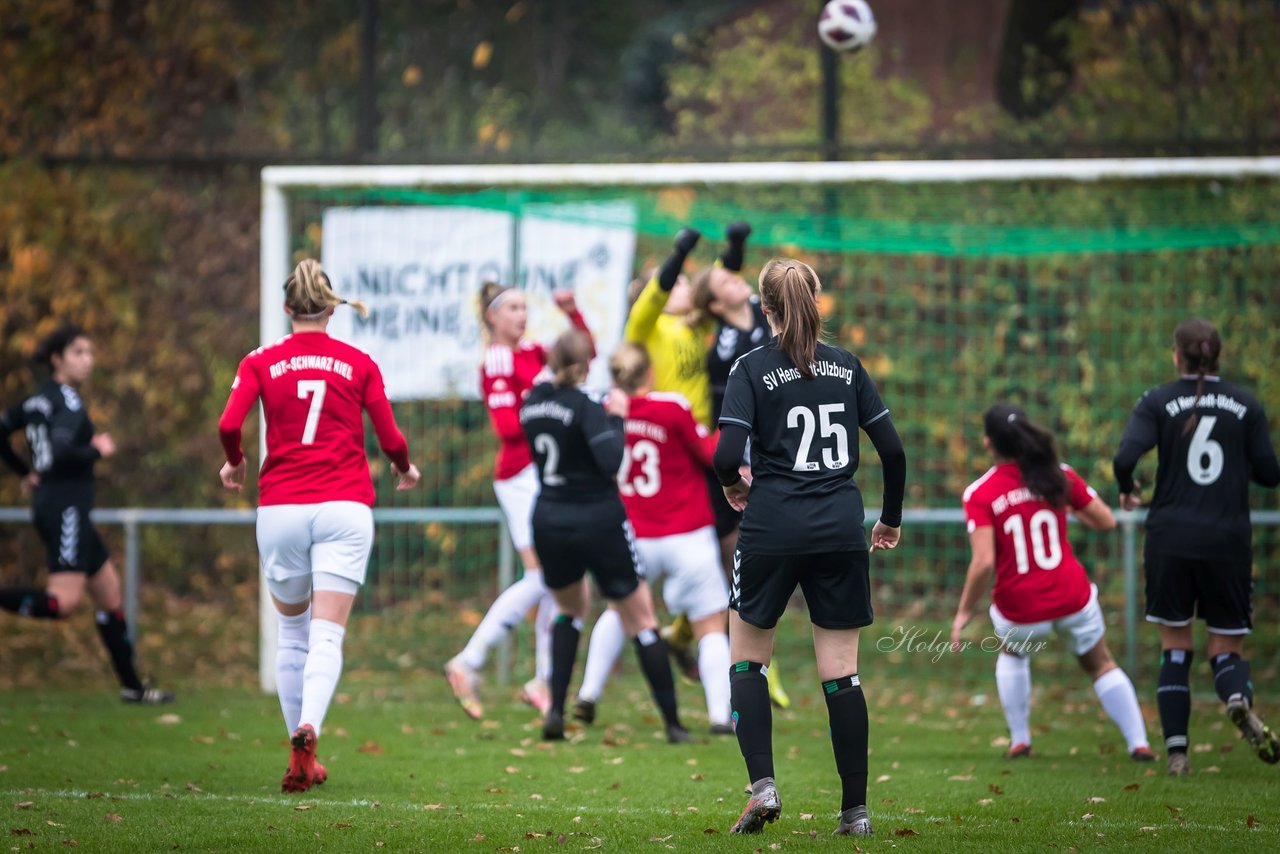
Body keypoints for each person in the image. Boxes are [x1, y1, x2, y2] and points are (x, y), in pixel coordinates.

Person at [713, 259, 905, 837]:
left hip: (772, 528)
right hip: (840, 530)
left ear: (764, 308)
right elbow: (892, 453)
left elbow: (726, 456)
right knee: (842, 674)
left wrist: (734, 487)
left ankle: (764, 788)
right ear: (816, 300)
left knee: (747, 658)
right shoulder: (846, 366)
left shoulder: (751, 368)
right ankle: (856, 812)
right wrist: (889, 520)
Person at [218, 259, 421, 793]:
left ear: (287, 308)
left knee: (292, 632)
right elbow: (391, 437)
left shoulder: (261, 361)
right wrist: (404, 469)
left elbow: (227, 423)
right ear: (332, 309)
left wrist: (234, 460)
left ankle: (297, 742)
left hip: (282, 507)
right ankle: (310, 730)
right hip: (344, 507)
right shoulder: (358, 362)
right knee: (327, 634)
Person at [624, 225, 791, 710]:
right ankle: (744, 660)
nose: (682, 286)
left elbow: (721, 285)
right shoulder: (647, 326)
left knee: (730, 552)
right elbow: (664, 292)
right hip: (682, 451)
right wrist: (679, 251)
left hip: (708, 448)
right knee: (729, 551)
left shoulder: (695, 328)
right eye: (674, 283)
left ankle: (686, 632)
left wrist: (733, 249)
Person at [1113, 318, 1280, 774]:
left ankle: (1178, 754)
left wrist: (1129, 488)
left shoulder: (1158, 400)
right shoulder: (1245, 405)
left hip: (1170, 538)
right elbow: (1270, 473)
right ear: (1217, 355)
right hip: (1227, 539)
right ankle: (1237, 699)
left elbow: (1125, 457)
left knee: (1176, 646)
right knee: (1226, 648)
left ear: (1176, 355)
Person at [952, 404, 1153, 763]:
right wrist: (1069, 507)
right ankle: (1139, 744)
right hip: (1071, 597)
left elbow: (983, 562)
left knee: (1012, 652)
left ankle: (1020, 740)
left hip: (1021, 608)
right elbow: (1107, 522)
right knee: (1101, 664)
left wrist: (964, 611)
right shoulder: (1058, 475)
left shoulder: (979, 493)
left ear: (988, 443)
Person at [518, 330, 690, 744]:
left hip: (549, 518)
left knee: (569, 610)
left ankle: (556, 712)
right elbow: (611, 459)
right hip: (597, 519)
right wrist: (616, 416)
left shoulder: (531, 404)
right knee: (641, 618)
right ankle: (673, 724)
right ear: (584, 366)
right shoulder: (586, 406)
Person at [443, 282, 603, 720]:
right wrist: (547, 409)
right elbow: (507, 427)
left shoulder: (533, 352)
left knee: (560, 579)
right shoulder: (497, 358)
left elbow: (582, 354)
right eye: (511, 307)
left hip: (542, 475)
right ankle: (469, 661)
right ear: (491, 316)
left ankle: (544, 682)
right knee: (545, 576)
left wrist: (573, 314)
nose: (520, 314)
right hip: (519, 477)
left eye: (524, 307)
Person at [0, 324, 174, 705]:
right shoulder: (69, 402)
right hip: (65, 508)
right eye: (79, 352)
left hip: (61, 505)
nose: (87, 360)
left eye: (89, 353)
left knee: (109, 595)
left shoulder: (36, 401)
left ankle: (133, 688)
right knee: (63, 604)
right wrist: (97, 448)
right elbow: (62, 449)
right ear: (57, 359)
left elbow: (3, 429)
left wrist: (25, 472)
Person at [572, 342, 733, 734]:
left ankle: (588, 693)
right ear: (649, 372)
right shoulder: (671, 407)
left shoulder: (602, 412)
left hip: (635, 535)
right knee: (710, 625)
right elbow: (708, 453)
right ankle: (718, 715)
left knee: (619, 611)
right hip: (687, 534)